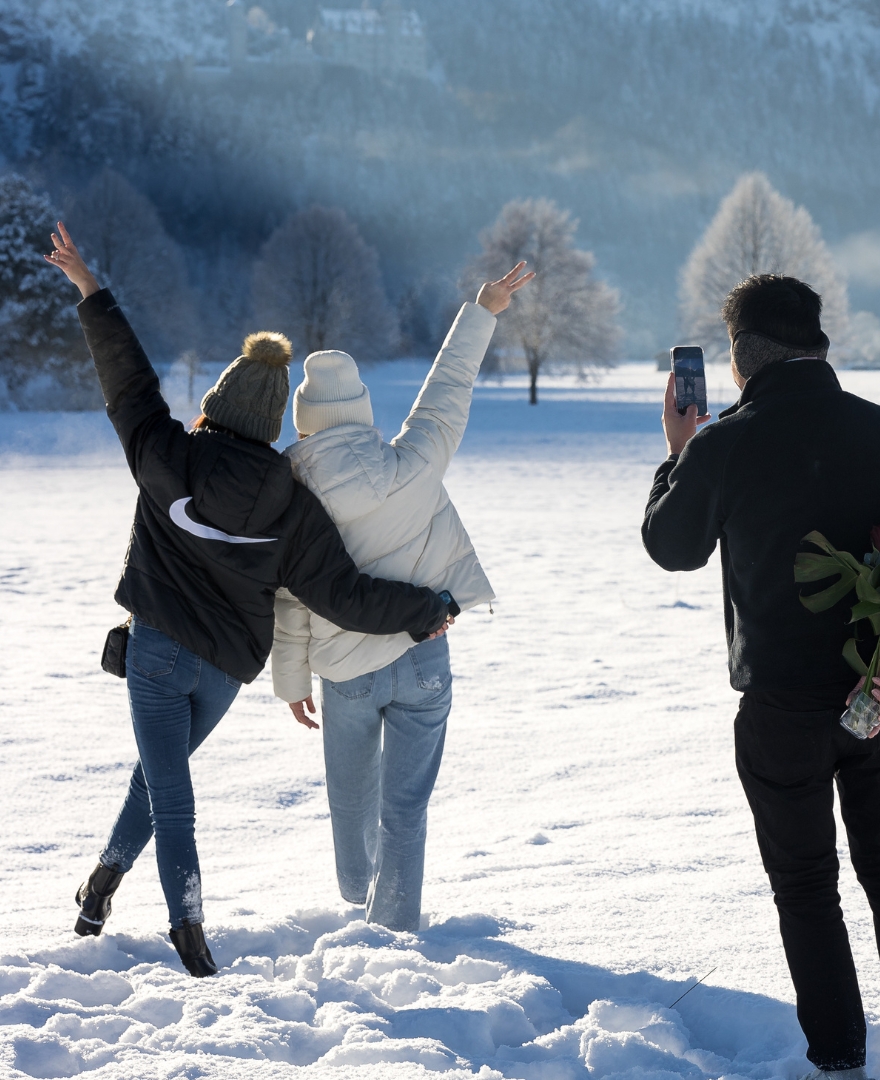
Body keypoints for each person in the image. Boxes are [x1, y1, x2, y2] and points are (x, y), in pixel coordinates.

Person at [45, 223, 452, 977]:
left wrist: (92, 292)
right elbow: (344, 593)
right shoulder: (292, 503)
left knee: (167, 786)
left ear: (218, 401)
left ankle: (187, 929)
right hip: (225, 675)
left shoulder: (167, 454)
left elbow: (127, 381)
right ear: (270, 426)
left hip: (159, 656)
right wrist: (422, 608)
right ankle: (102, 880)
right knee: (155, 775)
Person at [641, 275, 880, 1078]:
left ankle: (841, 1063)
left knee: (806, 885)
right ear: (819, 344)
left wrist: (678, 452)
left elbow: (671, 546)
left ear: (740, 359)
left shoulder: (725, 444)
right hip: (877, 695)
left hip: (781, 708)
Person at [271, 262, 533, 932]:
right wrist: (483, 310)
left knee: (350, 797)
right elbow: (447, 392)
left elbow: (292, 597)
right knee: (405, 808)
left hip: (345, 670)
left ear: (305, 424)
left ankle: (358, 890)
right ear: (358, 411)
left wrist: (294, 675)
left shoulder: (291, 494)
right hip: (425, 658)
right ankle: (394, 925)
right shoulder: (413, 461)